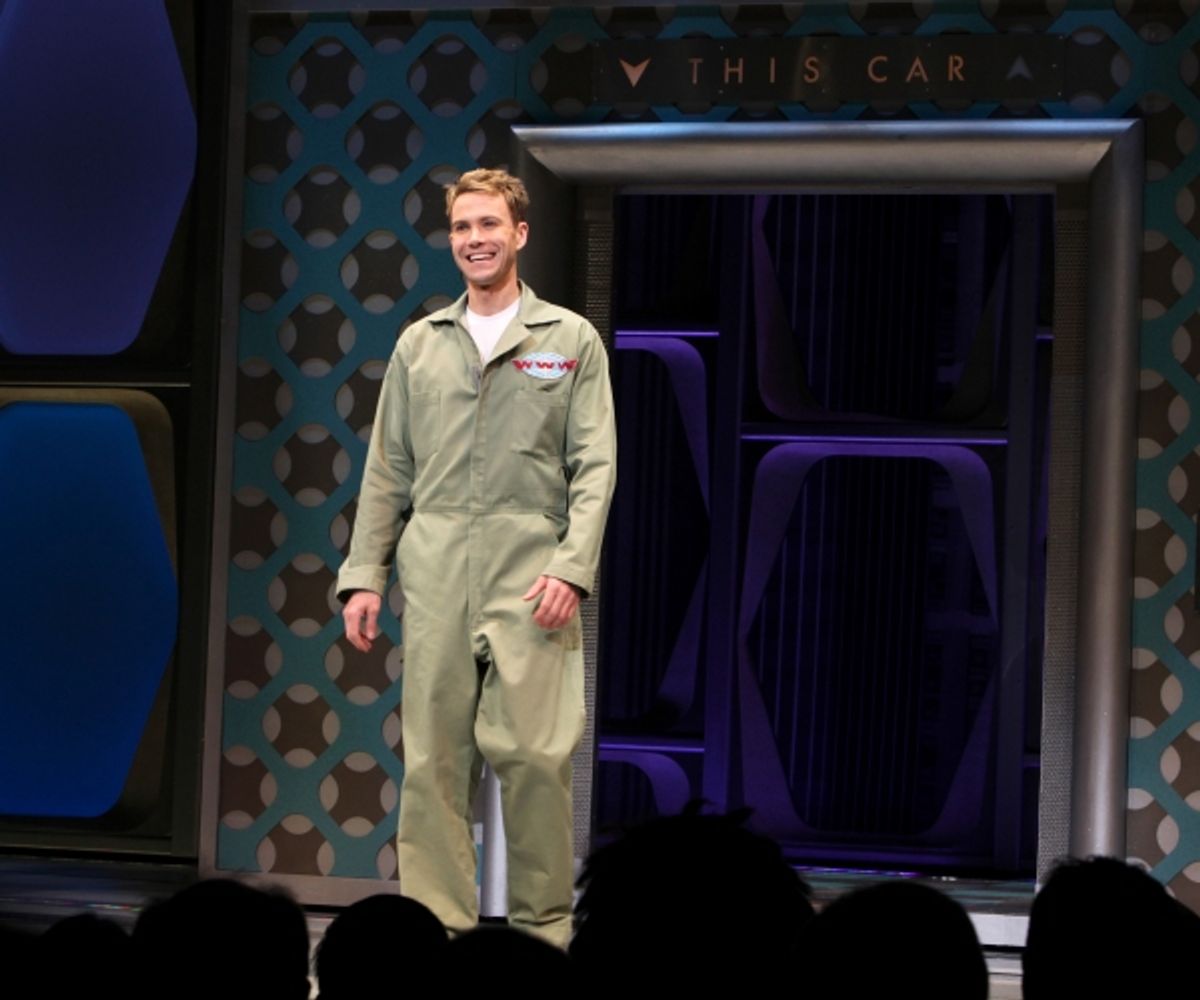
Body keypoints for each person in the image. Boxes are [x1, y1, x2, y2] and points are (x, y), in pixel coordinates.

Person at [336, 168, 616, 948]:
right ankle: (435, 937)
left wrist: (571, 568)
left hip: (531, 575)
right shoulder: (421, 345)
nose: (475, 239)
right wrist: (364, 576)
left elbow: (595, 466)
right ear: (450, 238)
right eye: (462, 228)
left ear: (520, 234)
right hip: (435, 573)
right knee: (432, 767)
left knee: (533, 761)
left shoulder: (567, 341)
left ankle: (544, 938)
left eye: (489, 225)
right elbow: (388, 468)